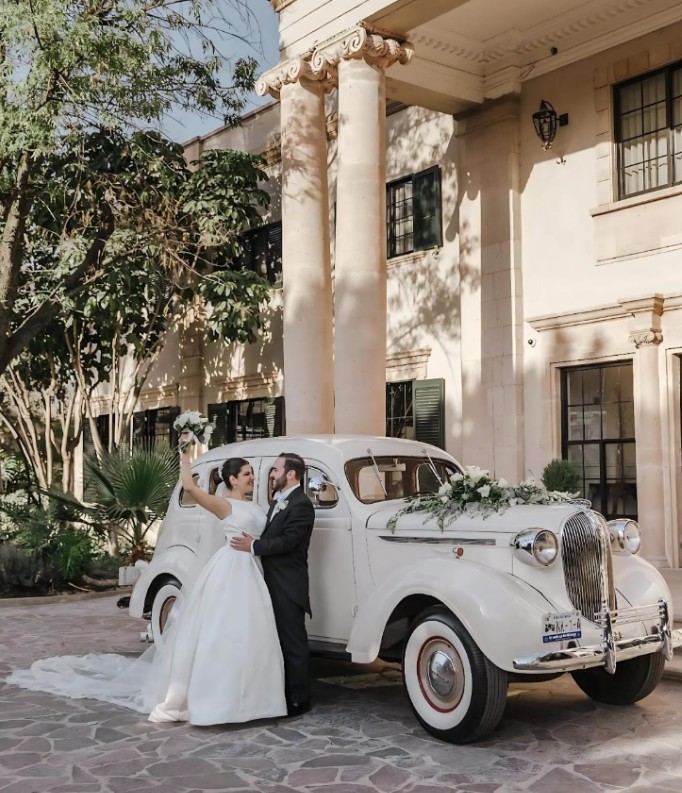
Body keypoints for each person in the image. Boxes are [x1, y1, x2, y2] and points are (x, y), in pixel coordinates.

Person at [5, 455, 287, 726]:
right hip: (231, 568)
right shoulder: (223, 505)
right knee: (223, 632)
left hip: (252, 569)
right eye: (248, 474)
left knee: (251, 630)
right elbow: (190, 487)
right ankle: (217, 700)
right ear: (233, 480)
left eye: (252, 473)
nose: (253, 478)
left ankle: (254, 699)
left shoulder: (259, 506)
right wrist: (186, 453)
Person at [230, 452, 315, 717]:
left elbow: (288, 542)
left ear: (290, 474)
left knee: (294, 643)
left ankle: (300, 700)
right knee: (278, 641)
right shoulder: (280, 501)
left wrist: (253, 546)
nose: (272, 474)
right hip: (272, 580)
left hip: (288, 583)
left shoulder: (301, 504)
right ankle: (282, 694)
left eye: (276, 470)